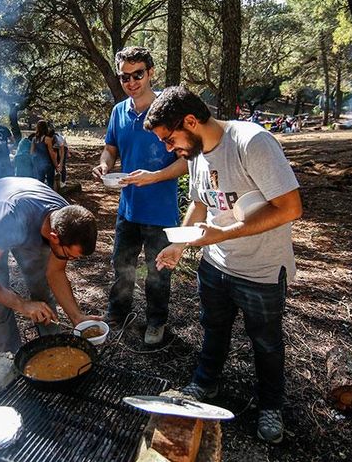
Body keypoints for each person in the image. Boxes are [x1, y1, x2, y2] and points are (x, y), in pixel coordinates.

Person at [144, 86, 303, 445]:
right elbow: (200, 204)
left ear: (190, 121)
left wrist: (222, 234)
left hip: (261, 270)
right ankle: (205, 382)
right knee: (213, 327)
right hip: (215, 266)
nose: (170, 150)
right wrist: (179, 245)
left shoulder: (252, 142)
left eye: (170, 140)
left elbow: (291, 208)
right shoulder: (198, 152)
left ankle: (270, 406)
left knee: (265, 342)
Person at [91, 46, 188, 346]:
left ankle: (156, 321)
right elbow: (111, 148)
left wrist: (154, 177)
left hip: (161, 210)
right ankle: (117, 314)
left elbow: (186, 160)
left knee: (158, 273)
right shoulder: (118, 111)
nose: (132, 82)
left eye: (138, 75)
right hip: (128, 209)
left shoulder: (168, 110)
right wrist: (105, 165)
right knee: (122, 266)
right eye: (125, 77)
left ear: (151, 73)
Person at [0, 177, 99, 353]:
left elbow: (55, 273)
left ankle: (53, 350)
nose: (70, 261)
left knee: (41, 288)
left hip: (29, 221)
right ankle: (7, 359)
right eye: (69, 256)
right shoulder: (8, 220)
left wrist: (77, 317)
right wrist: (22, 305)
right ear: (54, 237)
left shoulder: (67, 219)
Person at [30, 120, 57, 187]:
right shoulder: (47, 139)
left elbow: (31, 152)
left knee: (40, 183)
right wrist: (56, 164)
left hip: (38, 163)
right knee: (50, 183)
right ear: (46, 127)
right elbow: (51, 153)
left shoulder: (34, 139)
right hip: (48, 163)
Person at [53, 125, 69, 190]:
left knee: (62, 166)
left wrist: (61, 164)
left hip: (63, 148)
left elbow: (61, 154)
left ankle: (63, 181)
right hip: (56, 148)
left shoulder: (59, 140)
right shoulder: (48, 139)